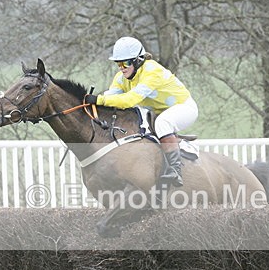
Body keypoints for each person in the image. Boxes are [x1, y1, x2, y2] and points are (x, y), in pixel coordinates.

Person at [84, 36, 198, 186]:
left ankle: (175, 170)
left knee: (163, 123)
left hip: (184, 108)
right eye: (118, 63)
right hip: (157, 112)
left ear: (138, 60)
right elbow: (109, 97)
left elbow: (129, 100)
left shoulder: (152, 71)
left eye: (126, 62)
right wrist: (88, 101)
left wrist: (99, 100)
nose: (122, 67)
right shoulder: (121, 77)